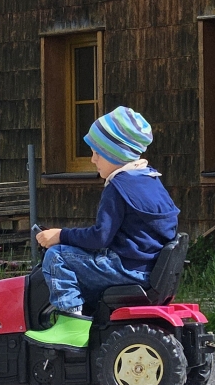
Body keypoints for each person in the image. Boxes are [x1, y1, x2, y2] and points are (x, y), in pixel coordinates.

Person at [35, 106, 178, 318]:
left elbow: (100, 237)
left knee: (57, 257)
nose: (93, 160)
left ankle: (71, 320)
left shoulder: (118, 187)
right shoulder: (150, 179)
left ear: (115, 153)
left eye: (97, 153)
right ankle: (91, 313)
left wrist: (60, 235)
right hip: (147, 269)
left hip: (127, 270)